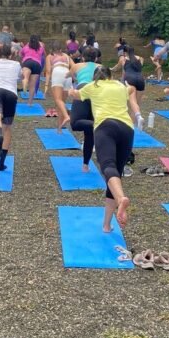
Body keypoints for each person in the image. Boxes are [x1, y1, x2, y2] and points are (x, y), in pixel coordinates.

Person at [67, 66, 143, 231]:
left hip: (105, 126)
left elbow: (75, 95)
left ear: (96, 78)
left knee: (108, 167)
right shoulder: (119, 86)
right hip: (127, 129)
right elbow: (132, 88)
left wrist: (70, 91)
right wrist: (128, 85)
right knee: (116, 174)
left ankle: (121, 198)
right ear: (110, 77)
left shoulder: (92, 86)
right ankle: (107, 224)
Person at [68, 47, 100, 172]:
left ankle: (100, 123)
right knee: (90, 132)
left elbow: (69, 75)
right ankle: (85, 165)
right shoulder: (101, 66)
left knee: (75, 124)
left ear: (82, 57)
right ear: (96, 58)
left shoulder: (77, 65)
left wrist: (75, 78)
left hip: (82, 91)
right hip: (96, 94)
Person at [45, 44, 72, 131]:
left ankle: (66, 116)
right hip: (67, 74)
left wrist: (46, 85)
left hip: (57, 72)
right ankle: (60, 128)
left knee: (58, 100)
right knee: (62, 103)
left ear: (52, 50)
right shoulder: (67, 56)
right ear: (61, 49)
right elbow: (74, 66)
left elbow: (48, 71)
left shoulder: (49, 56)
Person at [20, 35, 46, 100]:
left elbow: (21, 54)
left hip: (27, 61)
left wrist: (23, 59)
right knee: (33, 84)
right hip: (38, 63)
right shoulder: (41, 46)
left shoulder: (27, 46)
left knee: (26, 77)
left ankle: (25, 82)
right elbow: (43, 54)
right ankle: (30, 102)